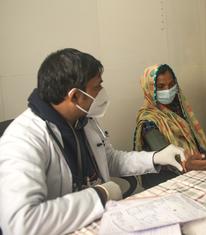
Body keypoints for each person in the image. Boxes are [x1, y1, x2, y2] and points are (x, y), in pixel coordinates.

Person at [0, 49, 190, 235]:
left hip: (99, 221)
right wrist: (100, 195)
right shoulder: (23, 139)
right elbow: (22, 223)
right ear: (74, 96)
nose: (102, 92)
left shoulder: (84, 120)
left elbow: (110, 160)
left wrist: (156, 158)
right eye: (97, 86)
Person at [134, 64, 206, 188]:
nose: (168, 90)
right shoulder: (149, 120)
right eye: (161, 86)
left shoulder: (180, 109)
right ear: (150, 89)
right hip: (164, 181)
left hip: (190, 174)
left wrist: (203, 157)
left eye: (172, 84)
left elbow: (194, 141)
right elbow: (165, 153)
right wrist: (186, 164)